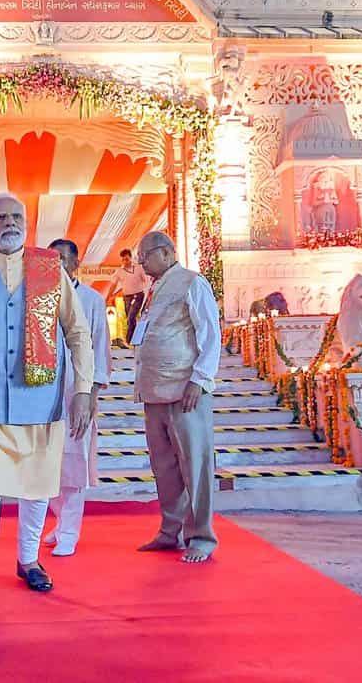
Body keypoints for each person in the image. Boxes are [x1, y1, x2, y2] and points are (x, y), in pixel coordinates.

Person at [0, 193, 95, 623]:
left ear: (25, 224)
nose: (8, 223)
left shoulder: (49, 269)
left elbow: (77, 331)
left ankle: (28, 559)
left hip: (39, 397)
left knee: (37, 485)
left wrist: (82, 389)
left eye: (15, 217)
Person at [131, 231, 221, 563]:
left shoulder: (191, 283)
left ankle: (201, 536)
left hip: (186, 390)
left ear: (166, 253)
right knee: (164, 467)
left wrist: (199, 379)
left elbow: (210, 333)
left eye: (145, 256)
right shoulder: (152, 289)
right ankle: (170, 531)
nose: (140, 263)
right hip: (155, 391)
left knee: (195, 464)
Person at [44, 238, 110, 556]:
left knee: (73, 463)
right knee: (48, 464)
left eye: (62, 260)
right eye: (50, 260)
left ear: (75, 264)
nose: (56, 266)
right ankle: (59, 521)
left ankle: (70, 530)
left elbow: (100, 349)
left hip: (77, 392)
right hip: (42, 392)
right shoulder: (39, 298)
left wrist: (91, 393)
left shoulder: (92, 300)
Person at [105, 248, 149, 345]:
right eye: (123, 260)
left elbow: (146, 281)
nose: (125, 261)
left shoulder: (138, 268)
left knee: (131, 317)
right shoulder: (120, 271)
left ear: (131, 258)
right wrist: (108, 297)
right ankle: (136, 338)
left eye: (127, 259)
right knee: (129, 319)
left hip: (138, 295)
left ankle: (130, 340)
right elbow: (113, 285)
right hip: (127, 297)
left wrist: (148, 293)